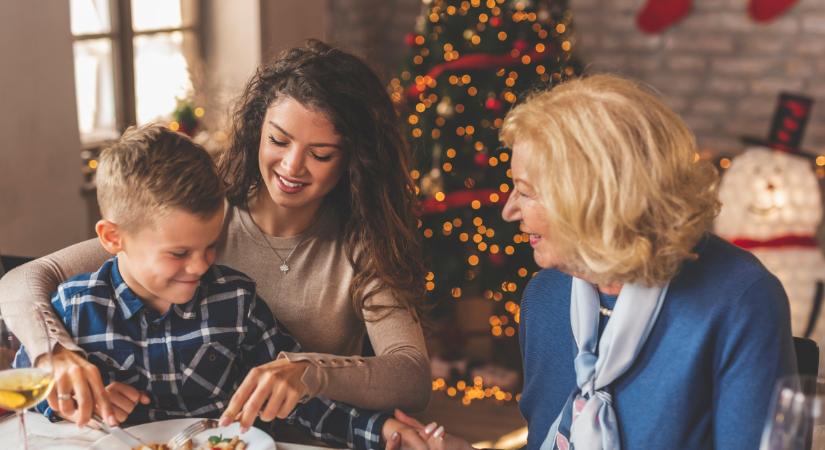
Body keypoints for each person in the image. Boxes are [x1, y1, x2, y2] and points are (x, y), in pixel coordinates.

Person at [0, 40, 430, 435]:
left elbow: (411, 375)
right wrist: (53, 355)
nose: (292, 166)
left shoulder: (361, 243)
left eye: (320, 154)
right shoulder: (203, 220)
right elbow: (24, 280)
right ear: (258, 129)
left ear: (353, 160)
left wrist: (307, 372)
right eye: (279, 140)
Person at [390, 74, 797, 450]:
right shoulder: (547, 295)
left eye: (526, 192)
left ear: (593, 200)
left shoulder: (738, 300)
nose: (509, 211)